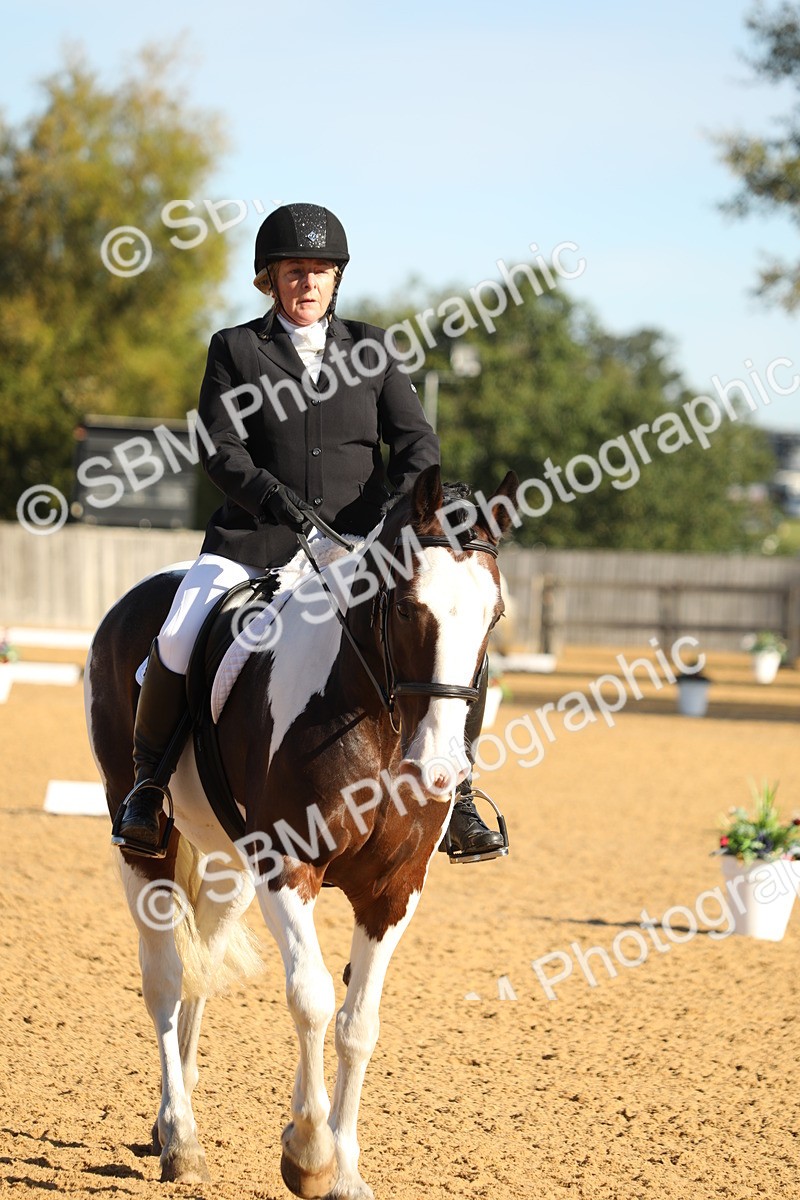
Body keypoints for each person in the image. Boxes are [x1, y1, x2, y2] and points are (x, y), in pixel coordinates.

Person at [114, 202, 506, 864]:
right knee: (179, 634)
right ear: (270, 278)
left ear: (336, 280)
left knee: (453, 634)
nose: (309, 284)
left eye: (322, 271)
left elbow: (415, 441)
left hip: (361, 548)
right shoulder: (236, 349)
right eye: (296, 271)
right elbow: (219, 448)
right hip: (253, 542)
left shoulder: (373, 348)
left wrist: (404, 511)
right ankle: (149, 790)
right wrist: (277, 502)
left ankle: (460, 792)